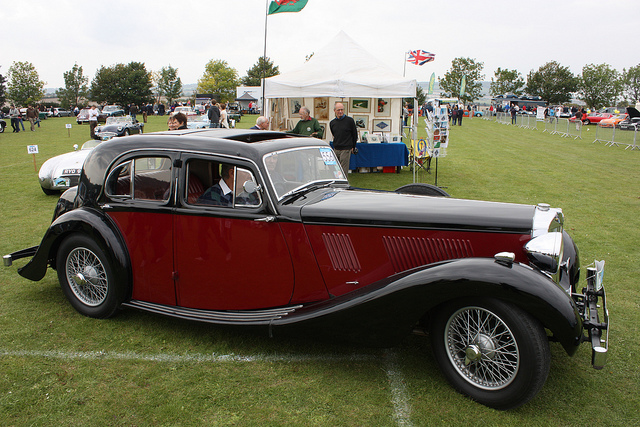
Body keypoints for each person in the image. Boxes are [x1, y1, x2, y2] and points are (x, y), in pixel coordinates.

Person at [329, 102, 358, 176]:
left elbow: (354, 135)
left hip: (346, 149)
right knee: (335, 169)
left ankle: (344, 186)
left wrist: (353, 147)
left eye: (342, 109)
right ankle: (337, 184)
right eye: (338, 110)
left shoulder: (350, 121)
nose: (340, 111)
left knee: (343, 170)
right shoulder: (332, 123)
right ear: (334, 110)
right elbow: (334, 135)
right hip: (336, 148)